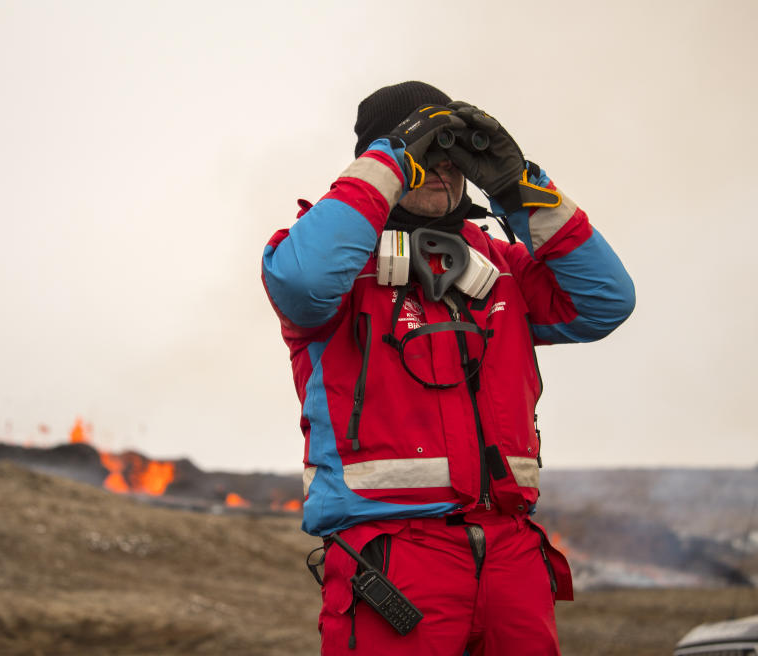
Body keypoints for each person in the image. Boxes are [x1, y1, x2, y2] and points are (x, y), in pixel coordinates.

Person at [260, 81, 635, 655]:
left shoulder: (503, 266)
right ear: (377, 162)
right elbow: (303, 284)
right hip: (393, 561)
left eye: (452, 151)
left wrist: (520, 188)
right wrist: (391, 157)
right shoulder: (333, 269)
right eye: (425, 152)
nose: (441, 165)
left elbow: (606, 299)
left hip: (513, 558)